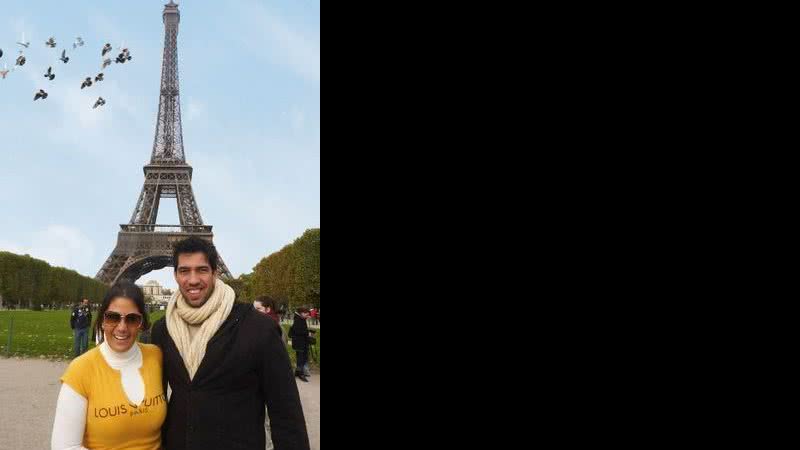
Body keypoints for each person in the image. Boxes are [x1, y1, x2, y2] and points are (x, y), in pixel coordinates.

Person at [151, 237, 310, 450]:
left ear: (215, 273)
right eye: (184, 271)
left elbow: (285, 412)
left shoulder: (258, 328)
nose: (193, 279)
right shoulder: (162, 330)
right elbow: (154, 402)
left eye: (202, 270)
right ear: (176, 275)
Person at [51, 281, 166, 450]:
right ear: (102, 320)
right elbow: (64, 447)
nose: (122, 327)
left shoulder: (156, 356)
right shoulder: (81, 369)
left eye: (132, 319)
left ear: (141, 322)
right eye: (113, 317)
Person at [289, 308, 312, 382]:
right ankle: (300, 373)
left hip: (301, 342)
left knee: (302, 357)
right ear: (301, 313)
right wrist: (308, 333)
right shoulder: (298, 320)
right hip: (299, 343)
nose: (307, 315)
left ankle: (298, 372)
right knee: (301, 358)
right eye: (306, 314)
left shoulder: (301, 319)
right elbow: (299, 331)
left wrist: (307, 331)